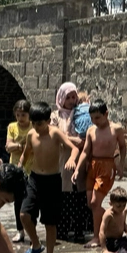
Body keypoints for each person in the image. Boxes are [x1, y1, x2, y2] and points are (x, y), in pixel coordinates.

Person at [19, 101, 79, 253]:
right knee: (24, 215)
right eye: (33, 124)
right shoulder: (31, 134)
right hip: (35, 178)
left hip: (52, 181)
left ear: (47, 121)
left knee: (50, 223)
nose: (36, 128)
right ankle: (36, 245)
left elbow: (74, 148)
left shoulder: (55, 134)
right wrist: (20, 163)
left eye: (39, 124)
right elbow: (27, 151)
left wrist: (72, 160)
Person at [76, 99, 127, 249]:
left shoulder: (116, 129)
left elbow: (123, 147)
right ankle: (114, 221)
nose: (94, 121)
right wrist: (79, 168)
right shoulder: (91, 130)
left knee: (94, 203)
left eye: (98, 117)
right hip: (92, 166)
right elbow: (86, 151)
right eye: (92, 118)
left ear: (106, 114)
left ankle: (97, 237)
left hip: (106, 166)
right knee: (91, 204)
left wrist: (121, 164)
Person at [51, 82, 90, 244]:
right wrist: (72, 138)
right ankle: (63, 229)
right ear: (61, 98)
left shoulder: (81, 113)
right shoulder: (56, 116)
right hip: (61, 160)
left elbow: (84, 138)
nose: (72, 100)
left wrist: (68, 137)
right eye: (68, 97)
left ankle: (80, 230)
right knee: (63, 195)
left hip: (80, 159)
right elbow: (54, 134)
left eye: (74, 96)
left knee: (79, 195)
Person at [5, 99, 32, 243]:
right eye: (18, 115)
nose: (20, 118)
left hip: (32, 167)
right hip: (16, 168)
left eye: (23, 115)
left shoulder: (33, 127)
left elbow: (34, 146)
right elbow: (8, 147)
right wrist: (22, 146)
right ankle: (20, 231)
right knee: (18, 202)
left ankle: (31, 229)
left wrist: (18, 146)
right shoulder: (12, 127)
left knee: (31, 200)